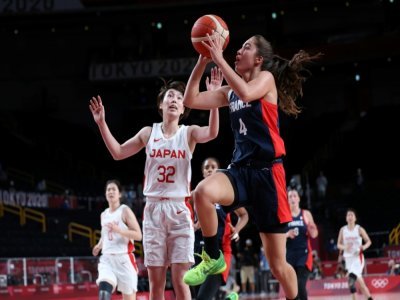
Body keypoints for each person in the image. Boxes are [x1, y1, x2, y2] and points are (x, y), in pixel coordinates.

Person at [182, 31, 320, 300]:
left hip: (269, 175)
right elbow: (191, 100)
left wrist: (219, 59)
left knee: (278, 265)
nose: (238, 50)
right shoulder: (229, 91)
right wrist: (203, 60)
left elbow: (246, 93)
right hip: (241, 171)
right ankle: (212, 257)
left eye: (245, 47)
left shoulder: (265, 80)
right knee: (202, 192)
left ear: (258, 59)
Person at [89, 78, 219, 300]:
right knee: (156, 283)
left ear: (183, 108)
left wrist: (214, 100)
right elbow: (118, 152)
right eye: (170, 96)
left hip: (179, 210)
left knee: (181, 279)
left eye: (179, 98)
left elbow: (212, 133)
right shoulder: (149, 133)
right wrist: (102, 123)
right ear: (161, 104)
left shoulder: (188, 133)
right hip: (153, 211)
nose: (174, 100)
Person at [193, 156, 248, 300]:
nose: (210, 169)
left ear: (218, 171)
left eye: (213, 167)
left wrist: (236, 230)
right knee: (200, 296)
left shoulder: (225, 196)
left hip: (220, 253)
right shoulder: (194, 195)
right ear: (203, 172)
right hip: (197, 252)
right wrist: (192, 227)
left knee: (202, 298)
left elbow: (244, 215)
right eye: (207, 167)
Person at [92, 179, 142, 300]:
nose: (110, 191)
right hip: (107, 259)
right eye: (108, 189)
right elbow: (105, 235)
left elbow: (138, 235)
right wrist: (99, 245)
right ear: (105, 194)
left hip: (124, 260)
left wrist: (119, 230)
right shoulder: (103, 215)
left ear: (119, 194)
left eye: (113, 189)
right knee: (103, 293)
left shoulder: (125, 211)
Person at [286, 188, 318, 300]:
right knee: (290, 288)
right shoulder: (284, 215)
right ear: (287, 199)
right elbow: (278, 236)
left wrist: (311, 229)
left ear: (298, 199)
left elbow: (314, 234)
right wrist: (286, 234)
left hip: (303, 255)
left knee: (300, 285)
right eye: (290, 196)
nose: (292, 198)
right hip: (288, 256)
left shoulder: (306, 214)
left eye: (295, 196)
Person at [337, 208, 373, 300]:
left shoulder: (359, 229)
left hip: (358, 258)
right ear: (346, 218)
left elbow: (369, 241)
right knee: (362, 285)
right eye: (348, 215)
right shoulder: (343, 230)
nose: (350, 217)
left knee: (351, 281)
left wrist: (363, 247)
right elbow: (338, 245)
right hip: (348, 259)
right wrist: (344, 248)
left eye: (351, 215)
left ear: (355, 218)